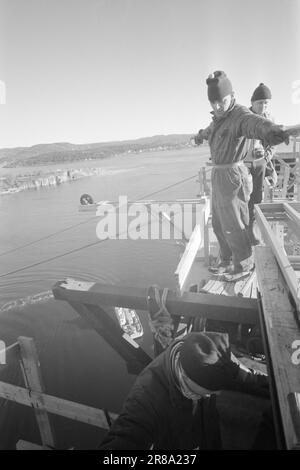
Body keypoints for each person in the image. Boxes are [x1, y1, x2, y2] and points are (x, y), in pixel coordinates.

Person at [193, 71, 299, 281]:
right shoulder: (218, 119)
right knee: (219, 223)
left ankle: (243, 265)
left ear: (232, 95)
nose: (217, 107)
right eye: (213, 103)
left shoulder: (239, 115)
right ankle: (226, 258)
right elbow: (208, 130)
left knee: (235, 223)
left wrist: (274, 132)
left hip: (233, 176)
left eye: (221, 101)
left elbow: (255, 124)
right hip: (218, 174)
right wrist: (198, 136)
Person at [98, 331, 275, 450]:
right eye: (202, 393)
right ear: (184, 376)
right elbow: (127, 435)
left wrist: (276, 384)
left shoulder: (217, 354)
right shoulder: (147, 397)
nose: (208, 396)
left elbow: (247, 375)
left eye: (212, 394)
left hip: (207, 432)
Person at [244, 83, 277, 245]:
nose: (263, 106)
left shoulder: (270, 119)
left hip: (260, 163)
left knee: (257, 197)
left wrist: (266, 156)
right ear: (252, 103)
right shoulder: (244, 118)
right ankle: (243, 230)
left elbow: (273, 143)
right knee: (242, 197)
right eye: (259, 103)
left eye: (266, 103)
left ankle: (252, 230)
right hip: (243, 164)